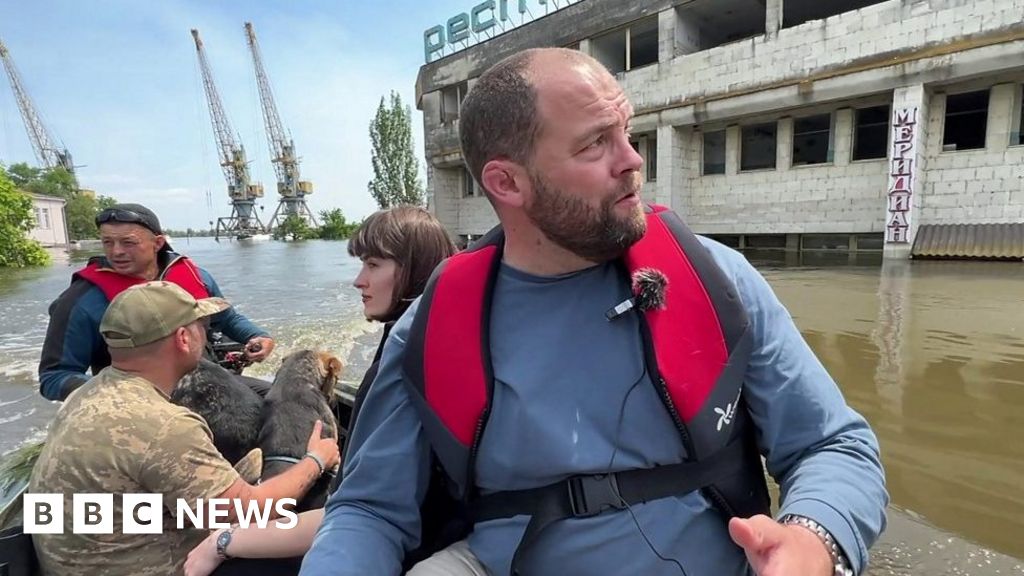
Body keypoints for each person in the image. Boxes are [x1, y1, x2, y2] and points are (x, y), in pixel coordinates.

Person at [299, 48, 888, 576]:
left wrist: (814, 542)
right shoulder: (432, 325)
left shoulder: (716, 281)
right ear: (508, 182)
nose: (632, 159)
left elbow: (834, 446)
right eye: (595, 144)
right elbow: (369, 510)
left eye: (626, 132)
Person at [182, 206, 457, 576]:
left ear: (414, 268)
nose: (358, 280)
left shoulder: (412, 358)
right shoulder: (418, 336)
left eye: (373, 265)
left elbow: (366, 511)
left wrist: (227, 540)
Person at [28, 281, 340, 576]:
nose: (206, 333)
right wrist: (316, 459)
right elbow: (252, 513)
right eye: (201, 326)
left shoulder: (87, 391)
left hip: (77, 561)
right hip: (143, 567)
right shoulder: (166, 426)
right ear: (183, 339)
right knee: (318, 546)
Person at [38, 203, 276, 401]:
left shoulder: (196, 277)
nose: (116, 252)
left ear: (158, 243)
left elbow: (227, 318)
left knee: (284, 404)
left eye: (128, 242)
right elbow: (55, 376)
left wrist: (257, 336)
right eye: (108, 242)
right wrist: (122, 394)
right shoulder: (82, 301)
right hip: (139, 401)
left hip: (211, 381)